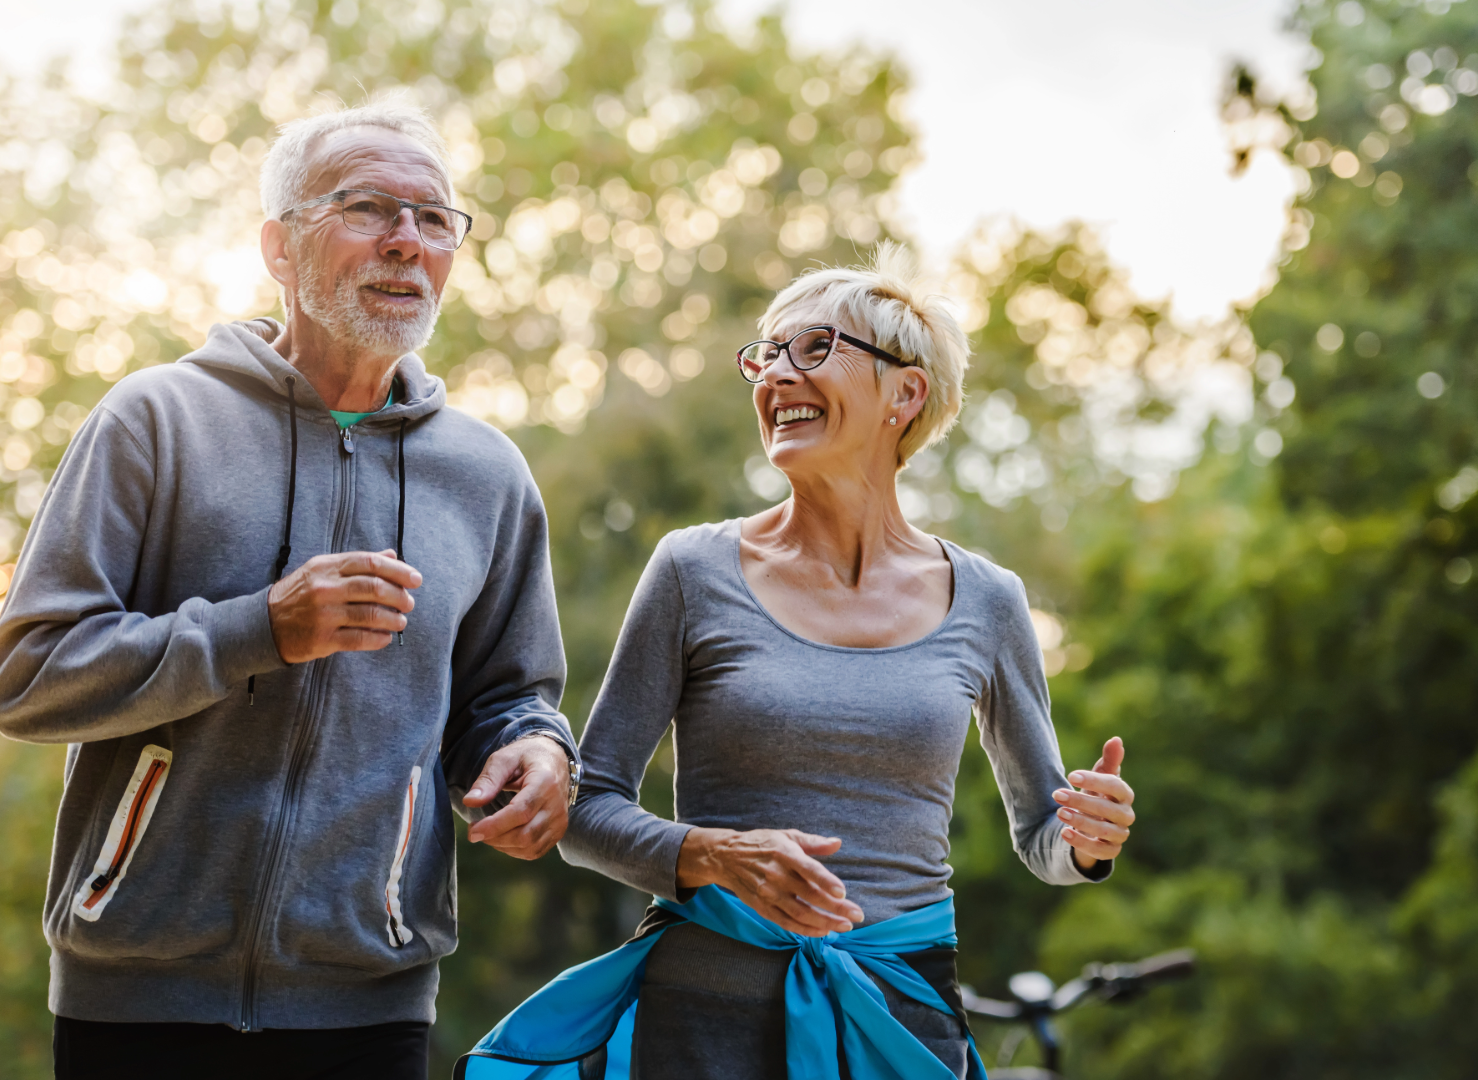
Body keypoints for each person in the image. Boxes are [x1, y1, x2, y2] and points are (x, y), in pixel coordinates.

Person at [0, 101, 579, 1080]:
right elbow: (28, 674)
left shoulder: (488, 474)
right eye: (369, 208)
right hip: (137, 997)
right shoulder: (157, 420)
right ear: (279, 246)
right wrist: (254, 631)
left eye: (435, 219)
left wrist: (535, 750)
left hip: (371, 1003)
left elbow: (510, 697)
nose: (407, 241)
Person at [458, 244, 1135, 1080]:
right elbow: (587, 809)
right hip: (704, 1020)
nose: (776, 376)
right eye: (767, 355)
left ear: (906, 392)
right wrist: (714, 855)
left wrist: (1085, 839)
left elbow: (1043, 840)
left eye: (814, 349)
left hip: (903, 1014)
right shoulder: (691, 570)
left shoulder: (988, 600)